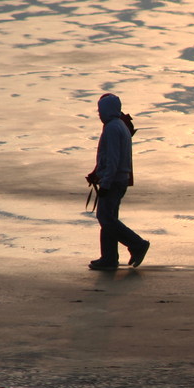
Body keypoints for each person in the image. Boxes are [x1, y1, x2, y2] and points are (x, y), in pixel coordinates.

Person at [86, 93, 150, 270]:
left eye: (101, 110)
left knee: (106, 219)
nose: (99, 113)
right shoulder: (118, 125)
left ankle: (137, 245)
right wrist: (96, 173)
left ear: (108, 110)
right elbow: (109, 158)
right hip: (118, 179)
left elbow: (113, 159)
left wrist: (105, 182)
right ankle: (109, 258)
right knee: (109, 219)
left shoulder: (113, 128)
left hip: (114, 181)